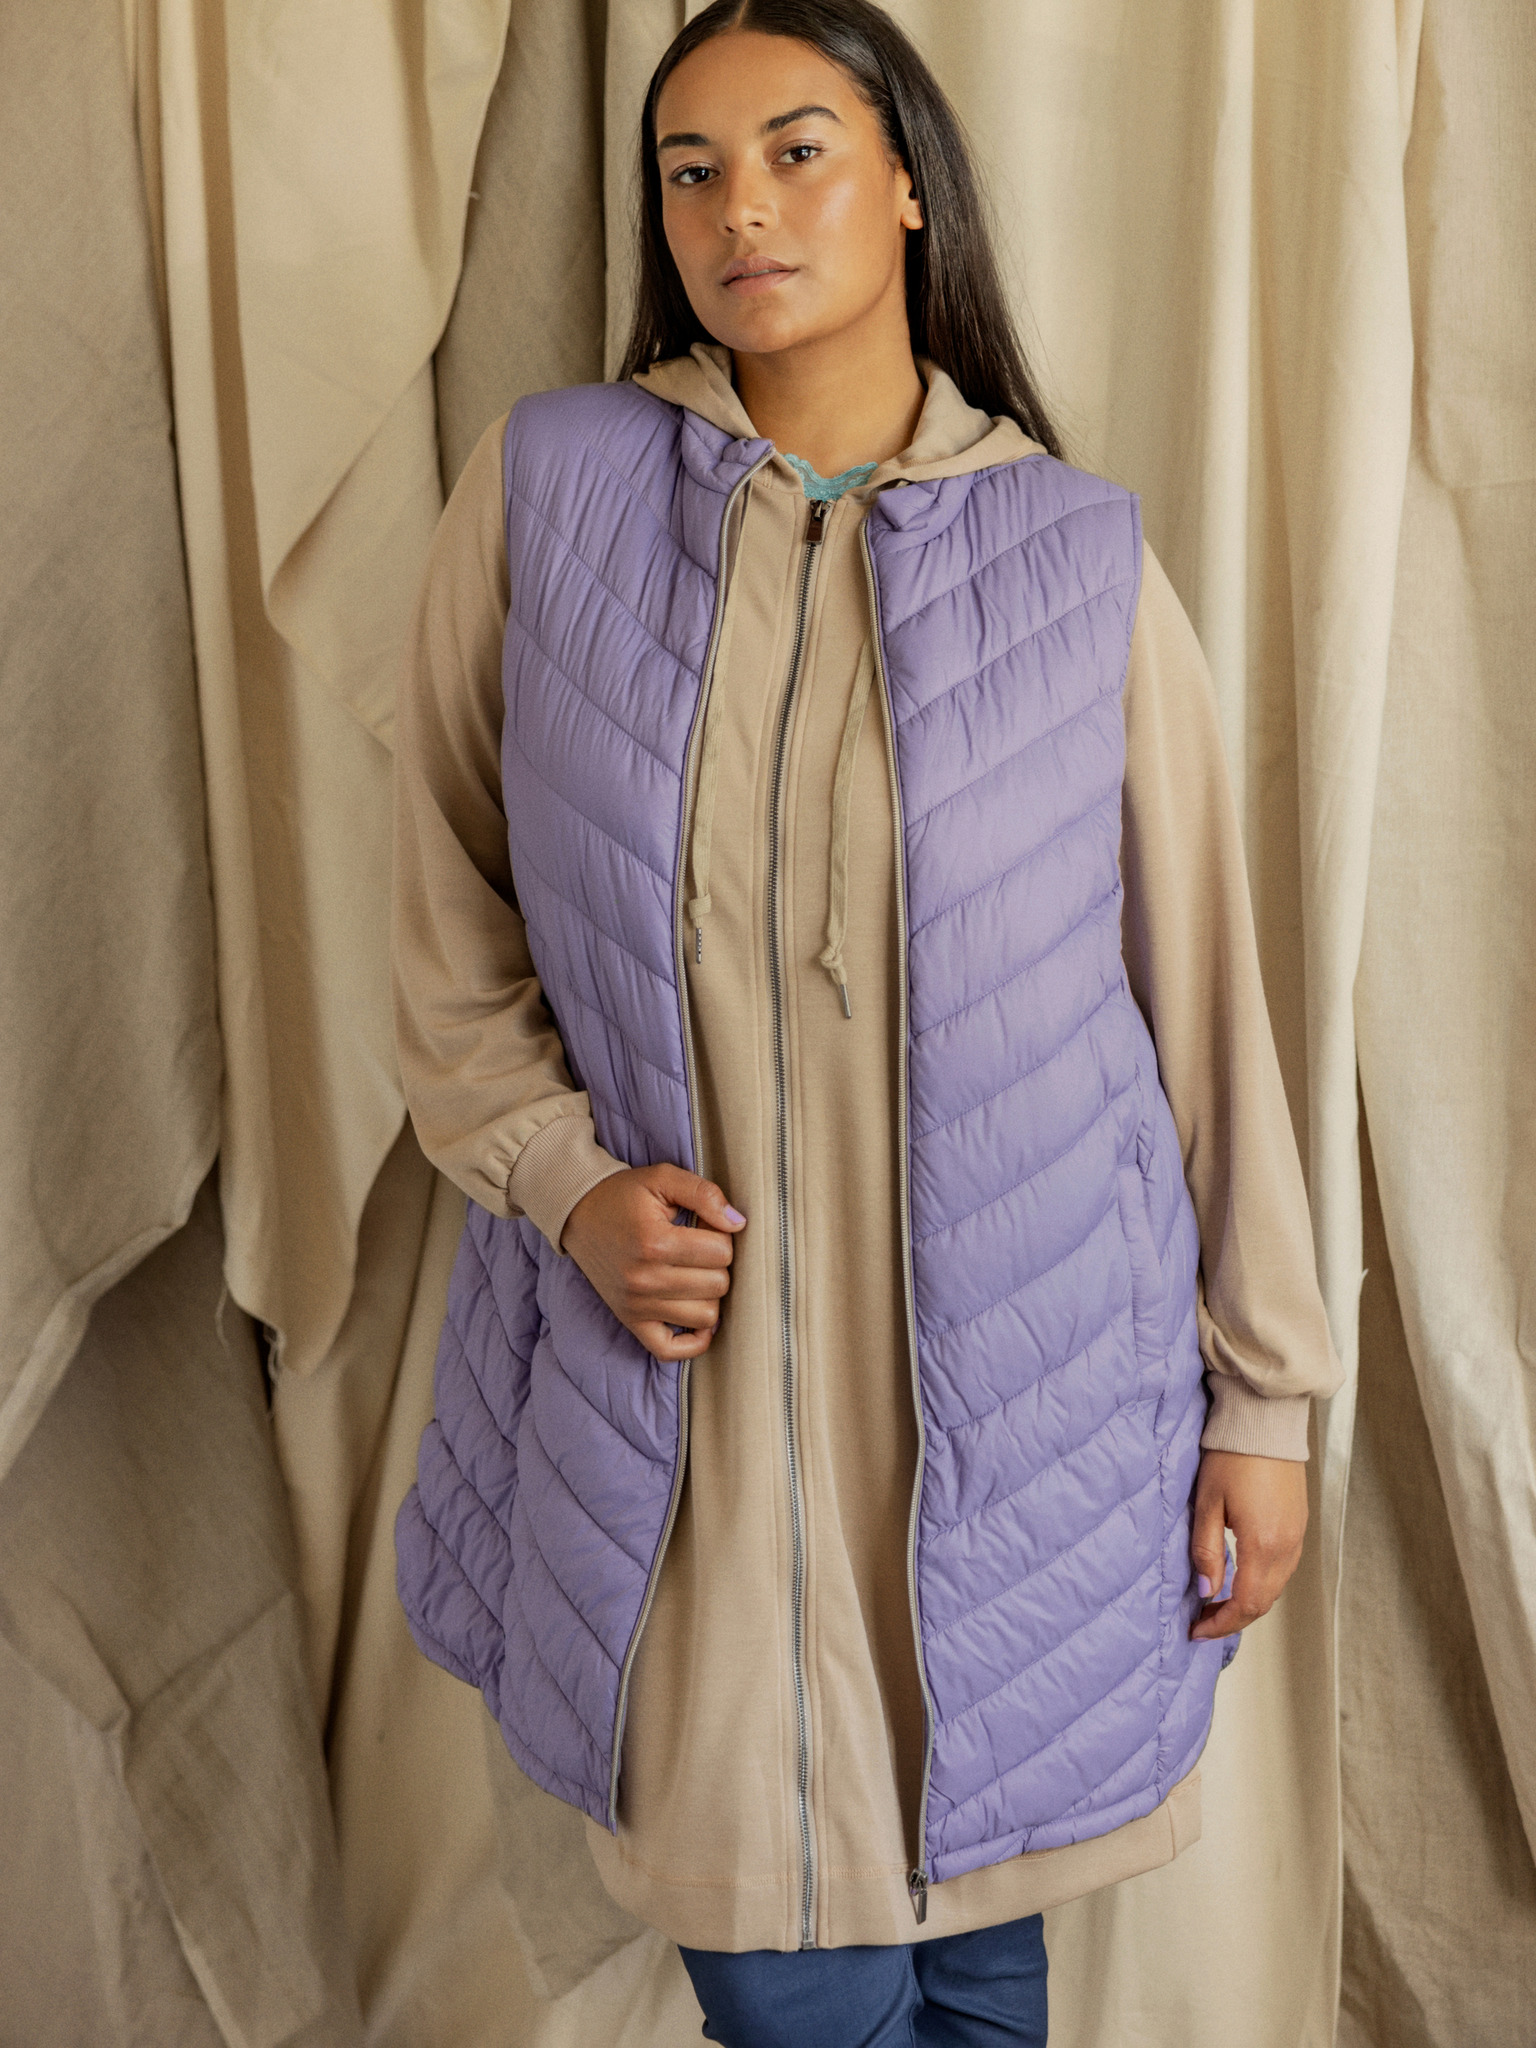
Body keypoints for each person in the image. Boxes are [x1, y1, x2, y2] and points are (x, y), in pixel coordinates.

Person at [391, 2, 1342, 2041]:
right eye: (693, 171)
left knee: (991, 1951)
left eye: (796, 151)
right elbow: (442, 915)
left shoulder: (1073, 555)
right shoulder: (551, 491)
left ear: (908, 183)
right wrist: (562, 1181)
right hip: (685, 1401)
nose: (740, 207)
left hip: (1031, 1408)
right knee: (786, 1974)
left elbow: (1205, 1013)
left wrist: (1265, 1401)